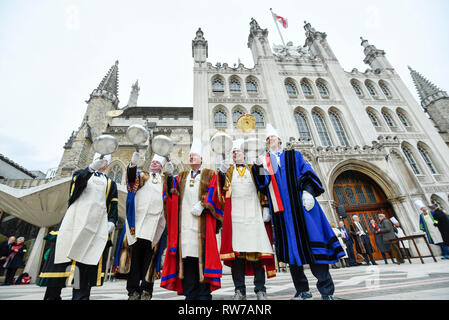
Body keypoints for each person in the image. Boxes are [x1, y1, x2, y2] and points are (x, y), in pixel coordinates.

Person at [252, 124, 344, 300]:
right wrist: (257, 167)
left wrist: (308, 192)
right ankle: (302, 290)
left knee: (315, 249)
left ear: (279, 140)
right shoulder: (266, 162)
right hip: (282, 214)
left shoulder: (294, 155)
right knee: (292, 253)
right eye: (267, 139)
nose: (270, 140)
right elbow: (262, 185)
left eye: (272, 138)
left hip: (302, 208)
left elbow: (307, 173)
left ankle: (326, 291)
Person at [37, 153, 118, 300]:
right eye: (100, 161)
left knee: (84, 270)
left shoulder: (110, 183)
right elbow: (76, 186)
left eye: (105, 162)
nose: (103, 163)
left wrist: (111, 222)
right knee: (60, 265)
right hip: (72, 224)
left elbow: (113, 205)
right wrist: (91, 169)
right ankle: (52, 297)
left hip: (93, 229)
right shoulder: (80, 174)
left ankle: (79, 297)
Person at [161, 138, 223, 300]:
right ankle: (190, 294)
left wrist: (203, 204)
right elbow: (171, 193)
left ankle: (204, 294)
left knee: (202, 258)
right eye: (189, 155)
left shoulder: (209, 174)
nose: (191, 157)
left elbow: (214, 190)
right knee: (187, 259)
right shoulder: (181, 176)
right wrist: (167, 177)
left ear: (201, 158)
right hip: (185, 226)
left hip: (202, 225)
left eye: (194, 155)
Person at [218, 139, 276, 300]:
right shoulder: (228, 171)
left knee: (258, 253)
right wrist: (221, 174)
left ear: (244, 153)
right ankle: (239, 290)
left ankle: (260, 289)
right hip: (235, 218)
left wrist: (259, 165)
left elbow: (264, 183)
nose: (235, 154)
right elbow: (219, 191)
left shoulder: (253, 168)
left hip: (254, 215)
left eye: (238, 151)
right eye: (233, 152)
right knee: (237, 257)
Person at [122, 152, 167, 300]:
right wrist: (132, 165)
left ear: (161, 167)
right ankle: (133, 291)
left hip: (155, 225)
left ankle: (147, 290)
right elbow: (130, 179)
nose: (154, 164)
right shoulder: (142, 176)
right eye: (153, 162)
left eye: (157, 163)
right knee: (134, 258)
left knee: (151, 260)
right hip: (138, 223)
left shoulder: (165, 181)